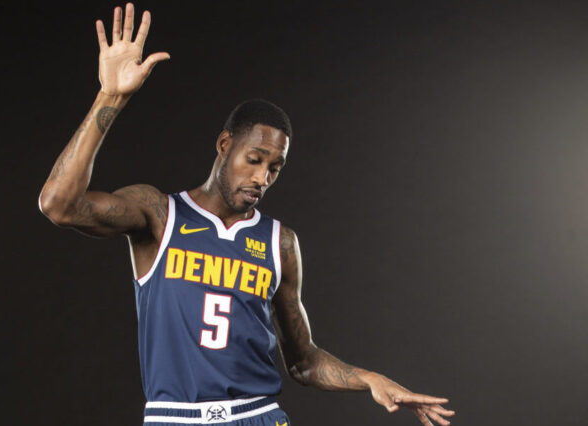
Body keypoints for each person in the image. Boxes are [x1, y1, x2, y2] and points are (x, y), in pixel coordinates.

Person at [38, 3, 455, 426]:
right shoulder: (159, 214)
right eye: (253, 159)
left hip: (257, 416)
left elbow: (303, 361)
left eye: (275, 168)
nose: (262, 177)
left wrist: (368, 378)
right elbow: (59, 204)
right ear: (224, 146)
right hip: (174, 418)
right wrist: (110, 96)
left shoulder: (280, 243)